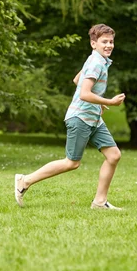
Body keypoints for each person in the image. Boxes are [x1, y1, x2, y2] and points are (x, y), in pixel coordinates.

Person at [14, 24, 126, 209]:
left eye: (111, 42)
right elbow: (84, 93)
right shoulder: (97, 63)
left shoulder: (96, 60)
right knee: (72, 163)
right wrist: (110, 101)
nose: (109, 45)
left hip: (94, 119)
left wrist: (98, 103)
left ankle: (99, 202)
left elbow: (77, 80)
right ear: (93, 43)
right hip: (80, 118)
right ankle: (25, 181)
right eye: (104, 41)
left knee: (113, 156)